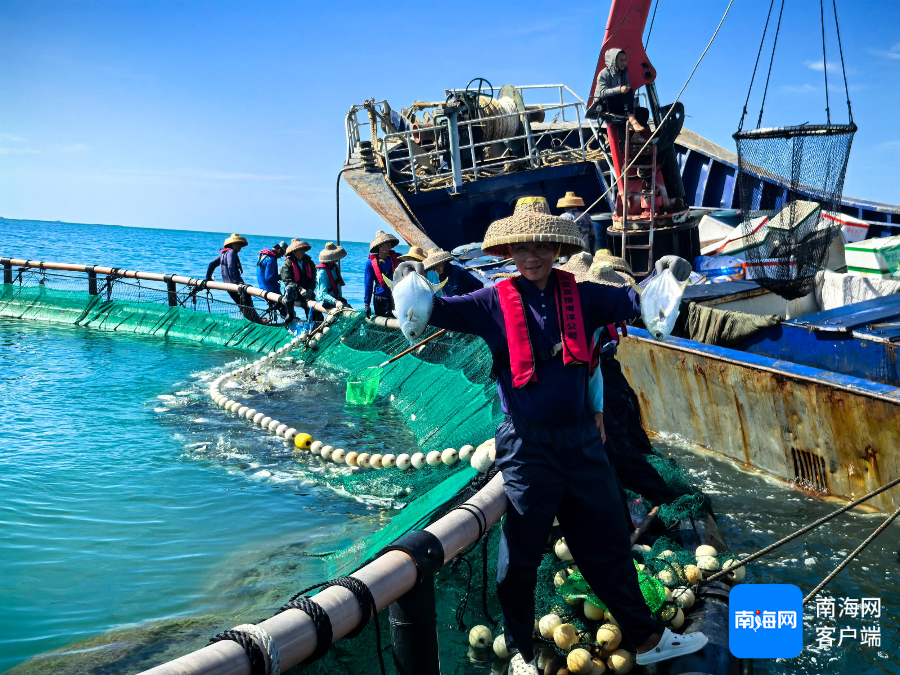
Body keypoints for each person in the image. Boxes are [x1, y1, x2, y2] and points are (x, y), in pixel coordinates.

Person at [426, 197, 703, 673]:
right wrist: (410, 282)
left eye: (541, 246)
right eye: (521, 247)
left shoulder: (586, 295)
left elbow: (638, 302)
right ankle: (520, 651)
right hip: (528, 446)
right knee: (519, 559)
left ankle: (647, 637)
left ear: (556, 246)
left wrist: (668, 275)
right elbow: (438, 312)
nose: (531, 256)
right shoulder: (491, 300)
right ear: (509, 251)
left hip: (581, 443)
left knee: (608, 546)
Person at [206, 233, 263, 323]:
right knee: (247, 305)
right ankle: (257, 323)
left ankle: (254, 321)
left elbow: (211, 264)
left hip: (228, 285)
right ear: (232, 244)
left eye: (240, 244)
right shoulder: (231, 252)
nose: (240, 246)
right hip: (234, 285)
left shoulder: (223, 253)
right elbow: (231, 267)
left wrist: (208, 277)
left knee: (242, 305)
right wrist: (237, 282)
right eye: (238, 244)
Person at [594, 48, 645, 133]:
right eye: (621, 60)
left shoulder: (624, 74)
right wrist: (619, 90)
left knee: (643, 112)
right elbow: (601, 93)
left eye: (625, 60)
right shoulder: (604, 73)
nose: (624, 63)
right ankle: (632, 119)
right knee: (628, 92)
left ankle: (636, 137)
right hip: (604, 104)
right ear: (613, 61)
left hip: (618, 103)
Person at [364, 230, 400, 319]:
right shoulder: (370, 263)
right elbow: (368, 284)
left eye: (389, 242)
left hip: (395, 296)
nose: (389, 244)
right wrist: (367, 304)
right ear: (379, 245)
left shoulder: (398, 258)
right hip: (379, 298)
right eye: (386, 242)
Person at [280, 240, 317, 322]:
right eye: (298, 250)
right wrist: (300, 289)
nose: (301, 252)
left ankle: (314, 323)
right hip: (294, 293)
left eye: (303, 250)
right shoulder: (287, 264)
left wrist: (310, 289)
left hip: (307, 292)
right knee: (289, 288)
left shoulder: (310, 263)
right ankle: (290, 314)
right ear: (293, 251)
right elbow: (287, 280)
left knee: (316, 315)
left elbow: (314, 278)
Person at [313, 242, 350, 321]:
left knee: (349, 308)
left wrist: (338, 300)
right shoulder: (322, 273)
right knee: (343, 311)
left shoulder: (334, 268)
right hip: (327, 301)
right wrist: (336, 302)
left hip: (336, 298)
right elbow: (323, 294)